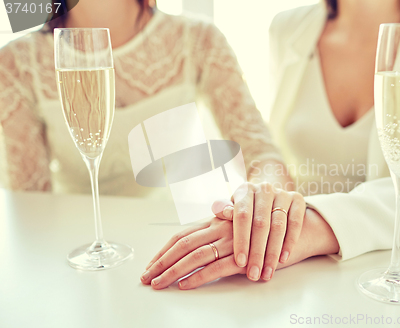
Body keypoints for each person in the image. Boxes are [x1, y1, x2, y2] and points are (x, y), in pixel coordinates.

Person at [141, 0, 400, 290]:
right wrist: (266, 211)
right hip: (294, 278)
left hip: (397, 275)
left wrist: (315, 225)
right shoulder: (288, 28)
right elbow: (273, 153)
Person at [0, 0, 292, 197]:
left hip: (172, 242)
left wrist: (265, 200)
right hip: (75, 252)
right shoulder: (18, 62)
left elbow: (262, 155)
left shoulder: (199, 39)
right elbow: (31, 201)